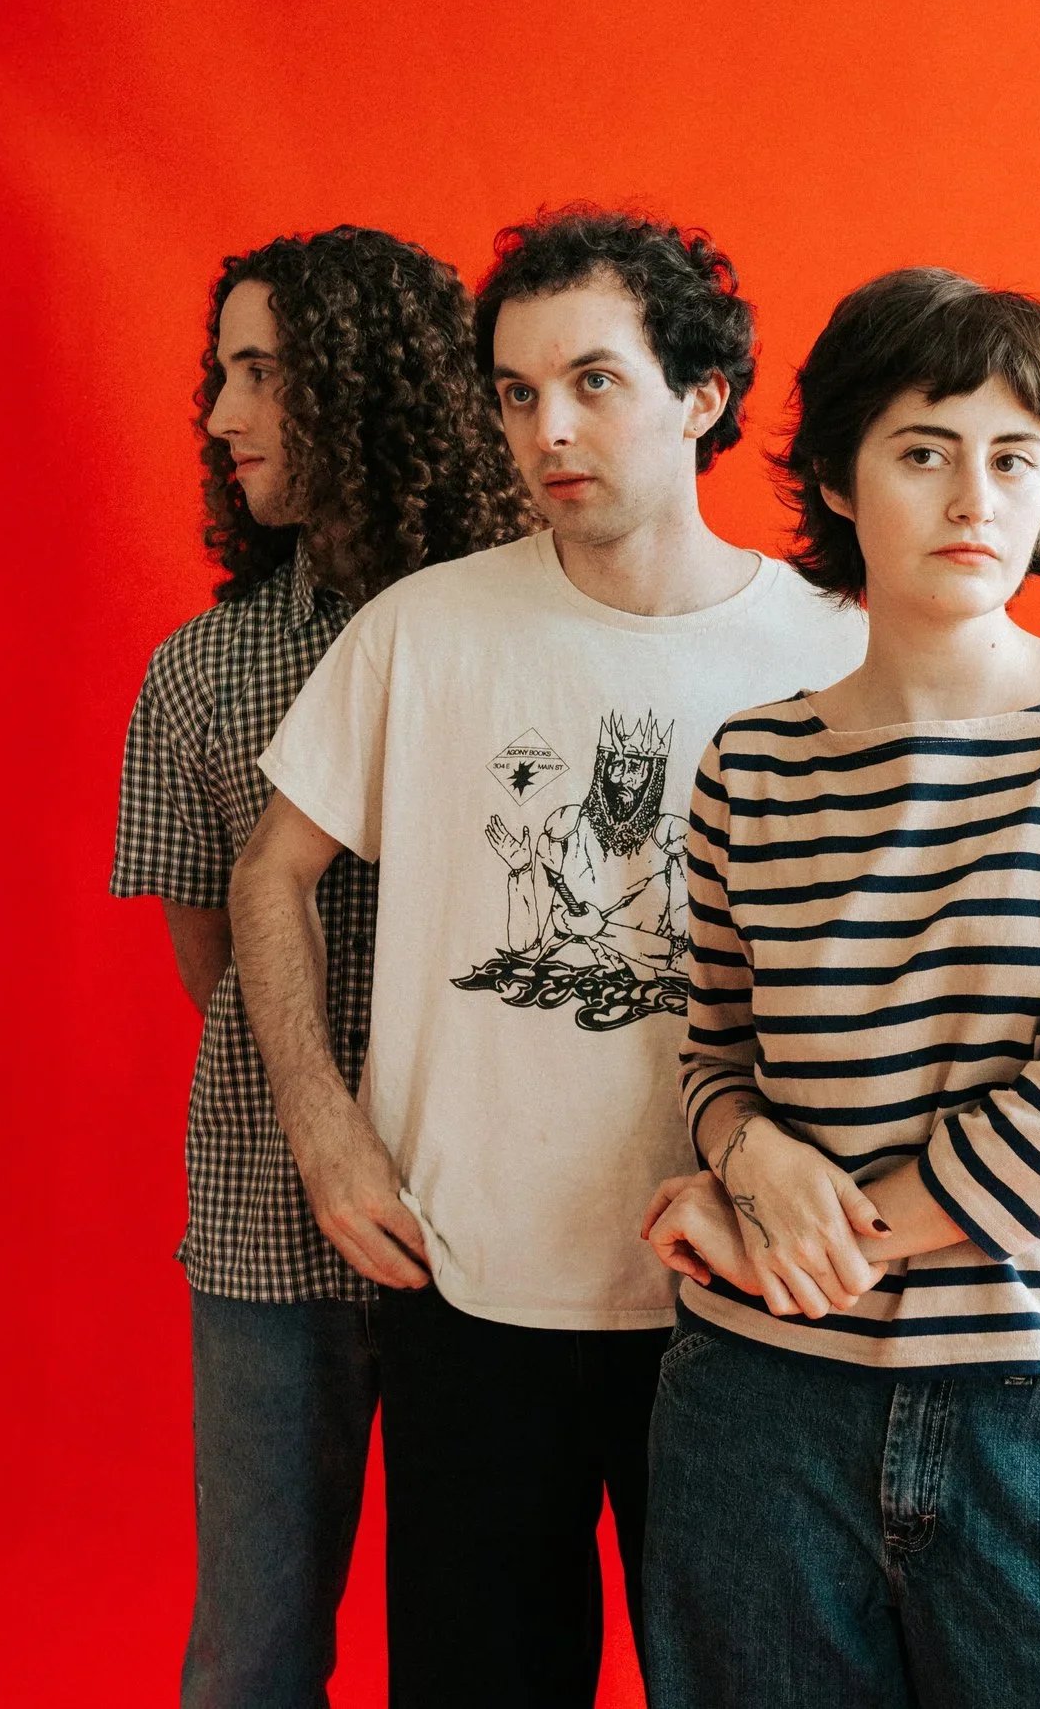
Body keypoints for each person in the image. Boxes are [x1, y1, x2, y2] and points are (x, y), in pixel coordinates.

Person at [226, 207, 865, 1708]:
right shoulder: (423, 631)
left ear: (702, 396)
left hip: (737, 1300)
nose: (546, 430)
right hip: (468, 1291)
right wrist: (325, 1128)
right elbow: (271, 873)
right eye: (515, 393)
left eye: (590, 382)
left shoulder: (835, 646)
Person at [638, 268, 1040, 1709]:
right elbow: (715, 1051)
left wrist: (800, 1243)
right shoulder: (751, 764)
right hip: (760, 1420)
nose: (977, 494)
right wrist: (746, 1150)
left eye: (1015, 457)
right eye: (926, 449)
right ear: (840, 476)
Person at [109, 224, 530, 1707]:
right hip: (262, 1228)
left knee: (483, 1643)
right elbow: (210, 957)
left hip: (501, 1240)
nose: (222, 420)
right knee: (256, 1645)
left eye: (262, 373)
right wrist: (320, 1104)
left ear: (370, 383)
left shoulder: (521, 640)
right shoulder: (200, 669)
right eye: (220, 374)